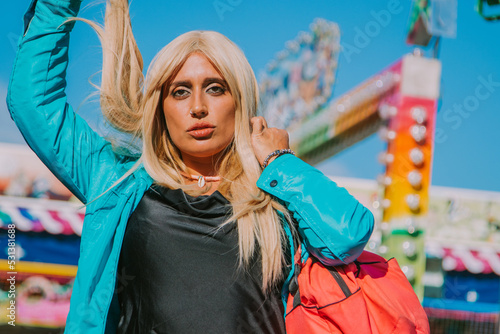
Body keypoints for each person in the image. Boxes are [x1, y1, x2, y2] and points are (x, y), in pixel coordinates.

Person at [7, 0, 374, 333]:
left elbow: (346, 237)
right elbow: (33, 102)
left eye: (215, 88)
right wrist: (57, 6)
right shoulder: (118, 181)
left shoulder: (273, 197)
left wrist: (281, 162)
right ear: (161, 108)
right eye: (180, 91)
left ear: (240, 101)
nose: (197, 106)